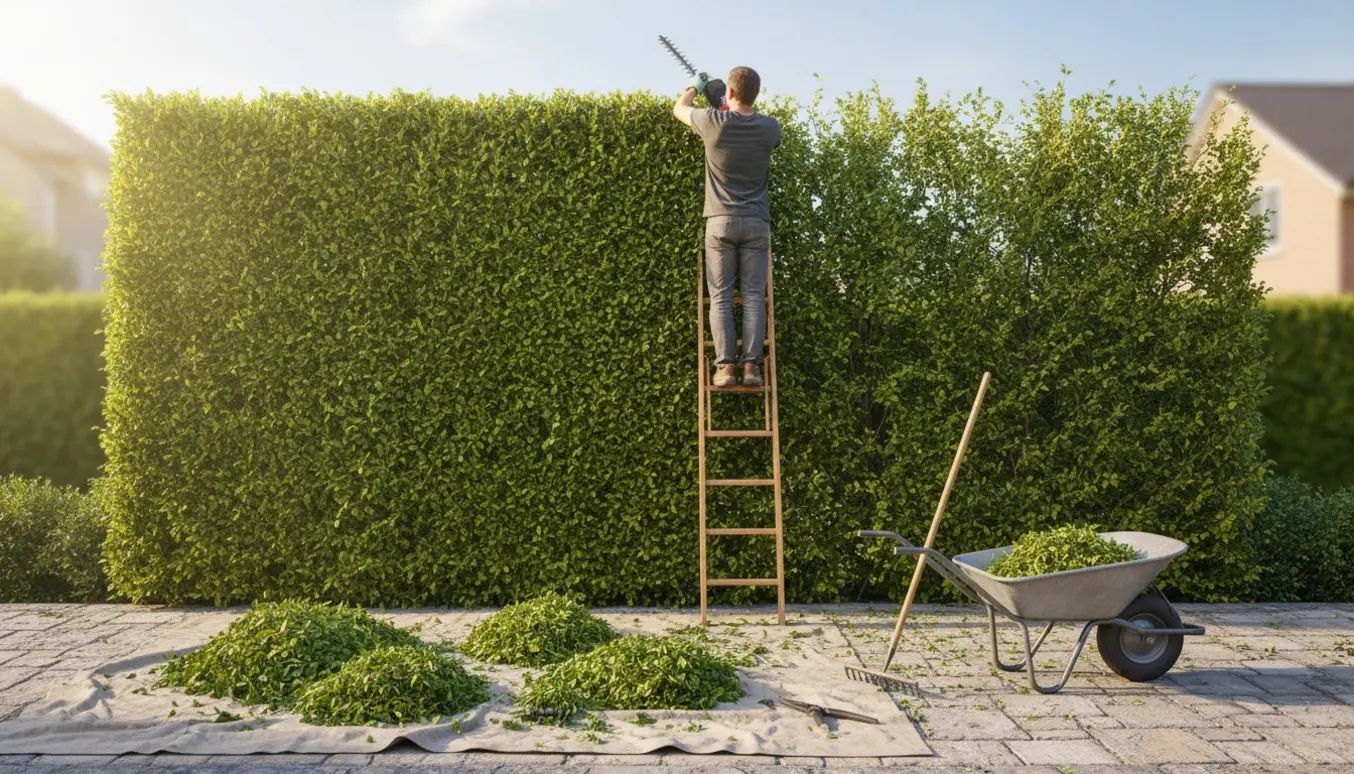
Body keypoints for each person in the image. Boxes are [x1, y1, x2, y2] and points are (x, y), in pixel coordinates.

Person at [672, 66, 781, 387]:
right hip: (757, 223)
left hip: (719, 222)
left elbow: (679, 109)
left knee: (720, 297)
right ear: (755, 95)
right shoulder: (770, 128)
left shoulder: (712, 121)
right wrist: (727, 106)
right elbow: (755, 126)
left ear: (729, 93)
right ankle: (751, 368)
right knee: (751, 296)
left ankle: (725, 369)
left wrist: (694, 87)